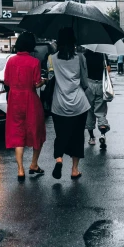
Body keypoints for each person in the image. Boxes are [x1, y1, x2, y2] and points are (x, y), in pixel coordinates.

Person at [4, 32, 46, 182]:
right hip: (30, 99)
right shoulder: (34, 62)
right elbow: (36, 83)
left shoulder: (10, 61)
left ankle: (20, 169)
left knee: (17, 133)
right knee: (36, 131)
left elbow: (7, 82)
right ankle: (34, 164)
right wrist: (44, 81)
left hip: (14, 99)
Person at [51, 28, 90, 180]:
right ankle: (74, 170)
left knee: (61, 134)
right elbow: (85, 83)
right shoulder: (80, 58)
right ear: (73, 42)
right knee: (78, 136)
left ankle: (59, 159)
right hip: (79, 104)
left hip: (59, 104)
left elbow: (52, 76)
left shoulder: (52, 58)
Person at [84, 48, 111, 149]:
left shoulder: (85, 56)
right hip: (100, 84)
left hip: (88, 84)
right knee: (101, 111)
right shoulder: (103, 55)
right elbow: (108, 69)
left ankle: (91, 138)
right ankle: (103, 134)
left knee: (89, 111)